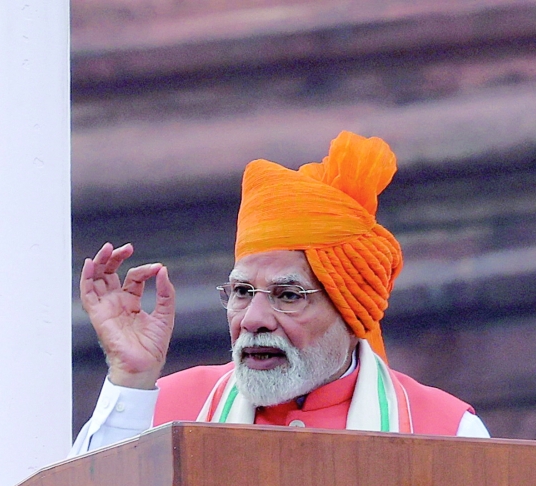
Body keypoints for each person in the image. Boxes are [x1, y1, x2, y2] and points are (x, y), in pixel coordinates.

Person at [70, 131, 488, 456]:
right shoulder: (165, 410)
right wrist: (131, 377)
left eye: (288, 295)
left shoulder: (446, 431)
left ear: (350, 308)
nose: (253, 319)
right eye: (242, 291)